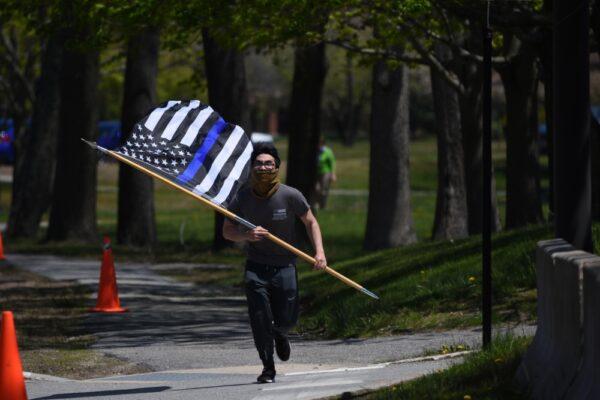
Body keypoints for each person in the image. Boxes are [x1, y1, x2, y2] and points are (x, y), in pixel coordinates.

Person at [223, 143, 327, 384]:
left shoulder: (290, 195)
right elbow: (227, 231)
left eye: (268, 163)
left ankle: (281, 333)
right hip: (256, 268)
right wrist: (246, 236)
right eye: (259, 163)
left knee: (288, 318)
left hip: (285, 267)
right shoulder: (242, 197)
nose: (263, 167)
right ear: (252, 168)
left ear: (277, 167)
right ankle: (267, 368)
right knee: (259, 319)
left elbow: (311, 222)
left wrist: (319, 252)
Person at [313, 137, 337, 211]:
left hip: (325, 173)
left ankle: (322, 205)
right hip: (316, 172)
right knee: (316, 188)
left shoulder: (327, 152)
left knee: (323, 190)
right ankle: (316, 203)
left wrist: (333, 173)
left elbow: (332, 162)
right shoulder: (316, 151)